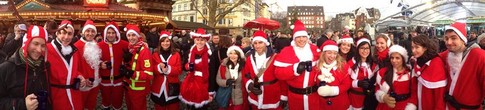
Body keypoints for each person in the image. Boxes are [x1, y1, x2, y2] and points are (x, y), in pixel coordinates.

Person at [0, 25, 52, 110]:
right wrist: (22, 105)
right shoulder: (5, 69)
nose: (39, 50)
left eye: (43, 45)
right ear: (26, 43)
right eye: (35, 43)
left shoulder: (45, 67)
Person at [274, 20, 320, 110]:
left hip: (314, 97)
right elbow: (278, 73)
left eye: (304, 36)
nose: (302, 39)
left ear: (307, 38)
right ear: (294, 38)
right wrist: (294, 69)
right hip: (295, 97)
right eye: (298, 37)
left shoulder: (315, 50)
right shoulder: (286, 51)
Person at [439, 21, 485, 110]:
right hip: (448, 107)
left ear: (463, 40)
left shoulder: (480, 56)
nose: (448, 42)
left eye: (453, 38)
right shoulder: (447, 54)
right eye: (446, 38)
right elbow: (433, 57)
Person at [47, 20, 88, 110]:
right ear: (57, 33)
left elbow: (74, 70)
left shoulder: (75, 51)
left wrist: (80, 76)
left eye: (69, 34)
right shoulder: (47, 49)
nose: (66, 37)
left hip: (74, 94)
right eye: (63, 33)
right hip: (57, 96)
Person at [243, 30, 285, 110]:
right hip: (255, 97)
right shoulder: (249, 58)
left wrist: (283, 96)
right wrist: (250, 86)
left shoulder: (275, 58)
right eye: (255, 43)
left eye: (260, 43)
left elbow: (282, 79)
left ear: (266, 43)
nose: (257, 46)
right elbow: (246, 75)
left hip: (272, 96)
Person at [98, 21, 129, 110]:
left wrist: (144, 44)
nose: (110, 35)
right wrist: (100, 64)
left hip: (118, 80)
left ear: (116, 33)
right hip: (104, 80)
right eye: (108, 33)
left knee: (117, 101)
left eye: (113, 33)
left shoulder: (124, 44)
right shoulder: (99, 45)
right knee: (105, 101)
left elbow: (134, 49)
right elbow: (94, 60)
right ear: (105, 33)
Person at [121, 24, 153, 110]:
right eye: (129, 35)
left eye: (133, 35)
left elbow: (149, 74)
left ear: (138, 36)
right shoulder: (130, 48)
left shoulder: (144, 51)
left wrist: (132, 73)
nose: (131, 38)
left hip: (138, 89)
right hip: (128, 87)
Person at [375, 45, 417, 110]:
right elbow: (377, 88)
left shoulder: (411, 73)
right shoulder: (382, 72)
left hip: (404, 107)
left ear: (403, 59)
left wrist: (410, 107)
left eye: (397, 58)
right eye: (392, 58)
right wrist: (383, 97)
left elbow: (414, 94)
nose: (394, 61)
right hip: (385, 106)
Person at [410, 35, 447, 110]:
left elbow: (440, 95)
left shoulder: (436, 63)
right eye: (412, 47)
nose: (413, 50)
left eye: (417, 47)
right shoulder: (419, 60)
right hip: (420, 102)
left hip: (430, 104)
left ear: (425, 48)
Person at [179, 28, 213, 109]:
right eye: (197, 40)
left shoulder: (210, 54)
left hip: (204, 83)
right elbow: (184, 66)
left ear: (205, 41)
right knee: (190, 105)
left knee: (202, 107)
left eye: (202, 40)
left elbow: (212, 72)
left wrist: (211, 92)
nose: (199, 42)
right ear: (194, 40)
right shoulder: (190, 52)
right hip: (191, 81)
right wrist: (188, 66)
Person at [73, 20, 103, 110]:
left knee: (91, 105)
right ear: (83, 32)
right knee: (80, 106)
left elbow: (95, 62)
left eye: (93, 31)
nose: (90, 33)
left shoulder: (96, 44)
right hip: (84, 84)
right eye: (88, 31)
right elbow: (73, 67)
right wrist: (82, 78)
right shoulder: (76, 46)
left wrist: (101, 64)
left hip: (95, 83)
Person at [315, 40, 352, 109]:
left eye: (335, 53)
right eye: (329, 53)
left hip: (340, 104)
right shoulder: (317, 67)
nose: (332, 56)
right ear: (323, 53)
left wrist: (332, 91)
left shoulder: (343, 66)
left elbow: (347, 85)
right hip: (322, 105)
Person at [151, 31, 182, 110]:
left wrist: (168, 69)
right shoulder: (155, 54)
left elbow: (179, 70)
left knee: (173, 107)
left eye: (167, 41)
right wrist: (159, 68)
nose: (165, 43)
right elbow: (151, 69)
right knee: (159, 107)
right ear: (160, 43)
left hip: (172, 86)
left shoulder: (176, 54)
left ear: (170, 42)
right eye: (163, 41)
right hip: (158, 86)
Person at [347, 38, 378, 110]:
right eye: (362, 48)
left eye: (367, 48)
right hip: (355, 98)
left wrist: (372, 85)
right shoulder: (351, 63)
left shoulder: (373, 64)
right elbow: (346, 82)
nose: (365, 51)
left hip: (369, 98)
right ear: (357, 49)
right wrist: (358, 83)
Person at [216, 46, 246, 110]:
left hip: (240, 97)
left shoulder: (244, 66)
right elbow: (218, 80)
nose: (232, 56)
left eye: (235, 53)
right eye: (231, 53)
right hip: (226, 96)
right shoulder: (223, 65)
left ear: (239, 55)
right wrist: (226, 82)